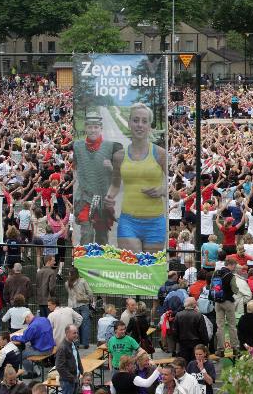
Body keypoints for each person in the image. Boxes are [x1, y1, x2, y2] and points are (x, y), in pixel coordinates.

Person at [105, 103, 167, 254]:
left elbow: (172, 183)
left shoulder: (160, 154)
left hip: (155, 222)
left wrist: (162, 190)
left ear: (149, 126)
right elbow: (115, 185)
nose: (140, 125)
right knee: (132, 268)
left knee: (150, 272)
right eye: (136, 120)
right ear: (129, 123)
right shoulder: (119, 156)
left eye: (144, 121)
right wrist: (109, 197)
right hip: (128, 222)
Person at [73, 112, 120, 246]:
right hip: (84, 198)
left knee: (102, 237)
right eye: (90, 127)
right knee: (87, 234)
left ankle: (101, 266)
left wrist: (112, 168)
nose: (93, 130)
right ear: (86, 128)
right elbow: (75, 166)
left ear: (101, 128)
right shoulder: (77, 146)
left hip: (102, 199)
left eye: (96, 127)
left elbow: (120, 179)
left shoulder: (111, 147)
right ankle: (83, 265)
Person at [11, 311, 55, 379]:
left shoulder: (33, 326)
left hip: (43, 350)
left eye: (25, 321)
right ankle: (35, 367)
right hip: (50, 346)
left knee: (21, 355)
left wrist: (13, 337)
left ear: (27, 318)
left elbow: (24, 339)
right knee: (28, 347)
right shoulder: (43, 319)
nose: (26, 323)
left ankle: (33, 373)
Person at [213, 258, 240, 357]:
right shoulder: (230, 275)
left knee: (220, 326)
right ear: (231, 265)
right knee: (232, 326)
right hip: (228, 302)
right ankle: (235, 348)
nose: (234, 268)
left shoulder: (216, 273)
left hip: (217, 302)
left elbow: (213, 286)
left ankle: (220, 349)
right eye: (234, 266)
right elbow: (235, 290)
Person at [173, 297, 209, 363]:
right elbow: (203, 332)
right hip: (196, 344)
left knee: (184, 364)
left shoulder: (178, 315)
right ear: (194, 305)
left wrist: (177, 341)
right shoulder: (199, 315)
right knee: (195, 364)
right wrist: (205, 343)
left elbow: (175, 331)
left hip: (183, 344)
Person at [65, 269, 93, 349]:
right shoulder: (83, 281)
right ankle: (85, 343)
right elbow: (90, 292)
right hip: (83, 304)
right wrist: (88, 298)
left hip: (72, 306)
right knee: (85, 324)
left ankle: (76, 343)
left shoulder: (67, 284)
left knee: (75, 324)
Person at [55, 325, 83, 394]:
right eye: (74, 333)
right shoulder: (63, 348)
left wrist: (81, 371)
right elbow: (59, 366)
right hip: (67, 381)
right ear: (67, 333)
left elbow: (77, 358)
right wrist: (71, 378)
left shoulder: (72, 343)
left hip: (75, 379)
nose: (76, 335)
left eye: (77, 333)